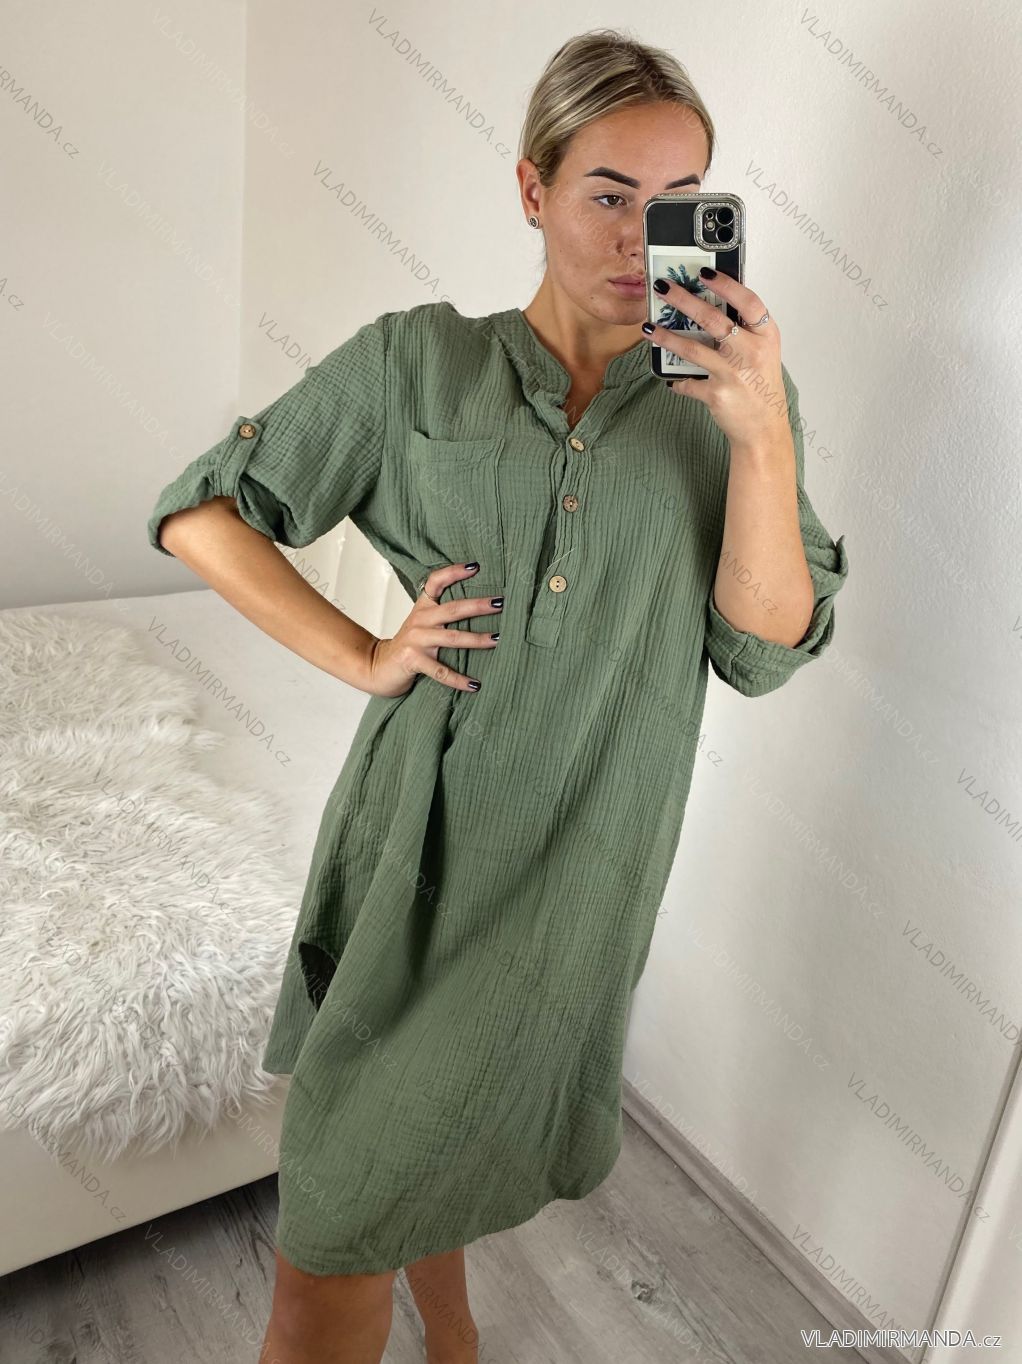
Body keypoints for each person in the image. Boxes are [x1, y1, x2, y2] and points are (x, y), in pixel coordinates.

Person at [146, 27, 849, 1364]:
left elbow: (764, 648)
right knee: (328, 1246)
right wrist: (366, 652)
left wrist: (760, 436)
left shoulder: (731, 402)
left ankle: (456, 1341)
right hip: (415, 855)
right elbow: (203, 512)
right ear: (532, 188)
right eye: (607, 194)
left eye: (679, 203)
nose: (642, 238)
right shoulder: (416, 362)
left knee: (436, 1147)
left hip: (580, 880)